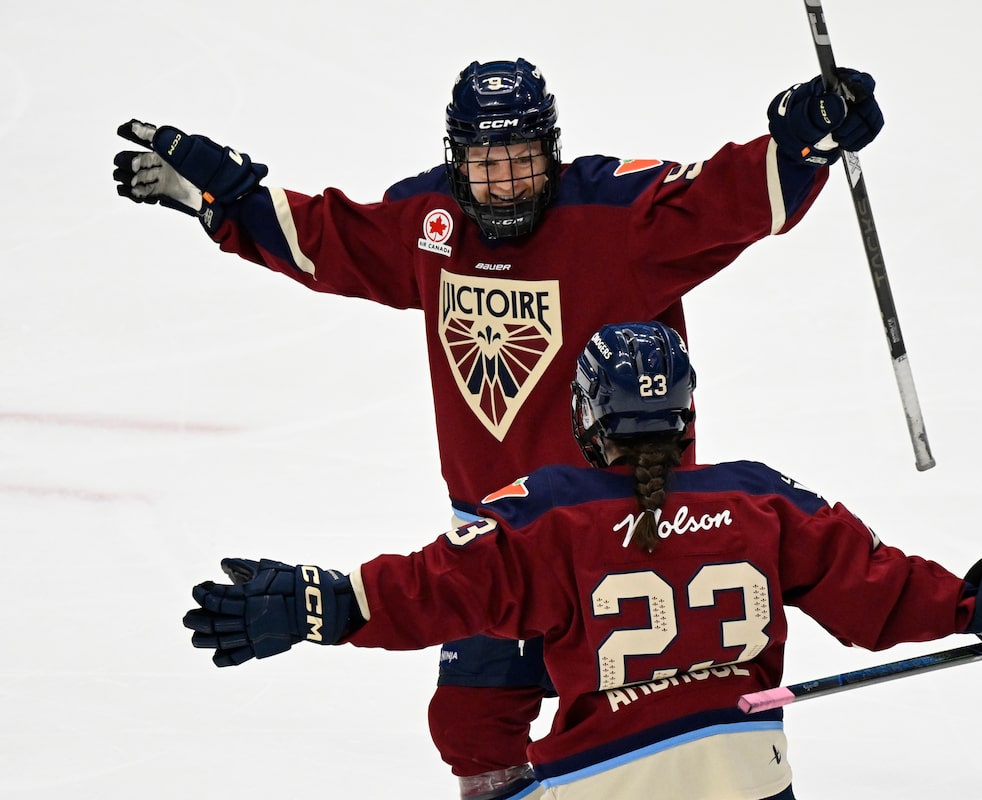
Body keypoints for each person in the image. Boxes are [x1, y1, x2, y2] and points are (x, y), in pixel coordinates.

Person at [116, 58, 887, 797]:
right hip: (502, 540)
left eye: (522, 159)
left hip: (621, 533)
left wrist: (802, 143)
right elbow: (333, 240)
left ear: (553, 152)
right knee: (470, 726)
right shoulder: (433, 222)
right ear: (456, 160)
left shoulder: (615, 217)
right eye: (486, 163)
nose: (506, 181)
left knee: (642, 729)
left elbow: (723, 200)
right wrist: (230, 201)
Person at [183, 321, 982, 800]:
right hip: (750, 773)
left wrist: (326, 603)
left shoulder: (549, 512)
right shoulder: (760, 498)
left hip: (606, 781)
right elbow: (880, 584)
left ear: (584, 416)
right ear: (685, 414)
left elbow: (439, 586)